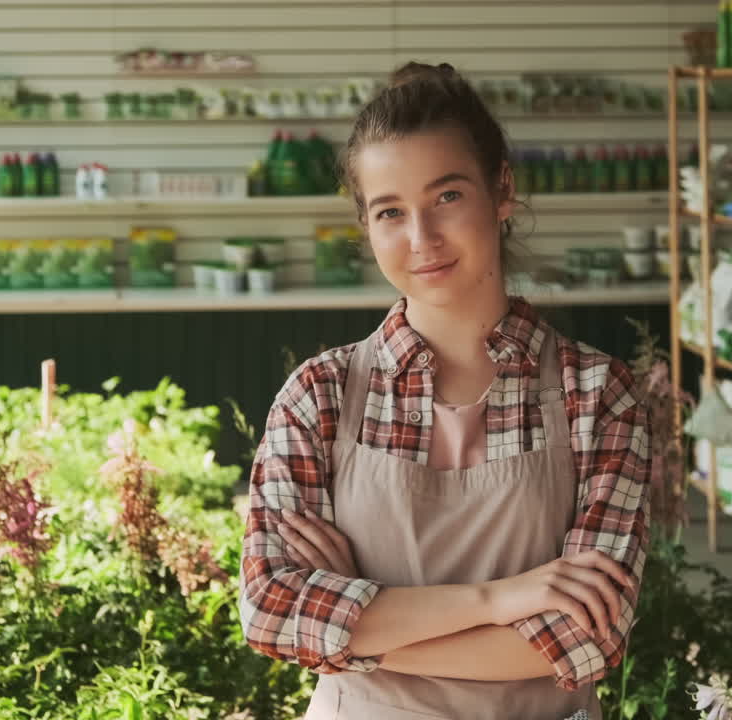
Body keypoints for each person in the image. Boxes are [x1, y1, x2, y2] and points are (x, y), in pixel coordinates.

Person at [238, 61, 651, 720]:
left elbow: (585, 640)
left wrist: (348, 625)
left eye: (448, 197)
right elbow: (271, 612)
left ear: (502, 189)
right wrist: (503, 598)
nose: (421, 238)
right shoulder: (319, 395)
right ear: (365, 226)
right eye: (390, 212)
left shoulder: (598, 395)